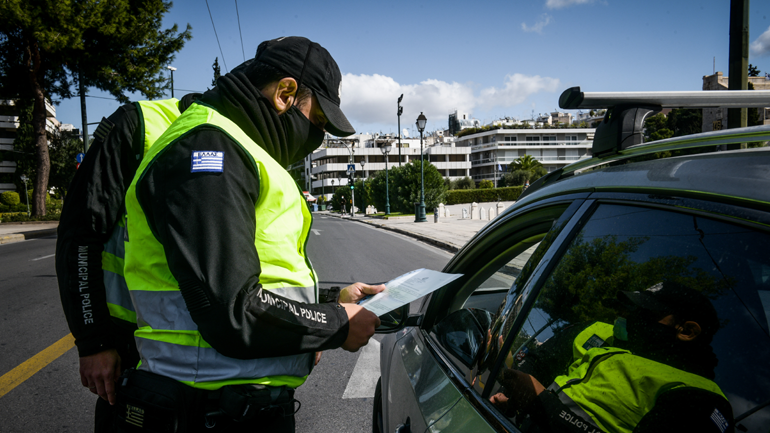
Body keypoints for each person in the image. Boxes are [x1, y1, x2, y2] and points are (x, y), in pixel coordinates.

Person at [118, 36, 384, 432]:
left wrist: (333, 301)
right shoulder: (208, 151)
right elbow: (233, 311)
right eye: (318, 122)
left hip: (231, 405)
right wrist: (335, 324)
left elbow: (254, 279)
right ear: (285, 93)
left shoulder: (236, 148)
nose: (317, 138)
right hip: (205, 410)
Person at [55, 93, 200, 431]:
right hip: (131, 341)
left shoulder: (248, 140)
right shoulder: (140, 124)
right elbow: (81, 233)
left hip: (207, 341)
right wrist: (94, 342)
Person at [491, 282, 734, 433]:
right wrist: (515, 394)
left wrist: (541, 404)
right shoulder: (600, 333)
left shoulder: (699, 398)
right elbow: (539, 360)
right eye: (634, 309)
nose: (632, 318)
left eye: (647, 313)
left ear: (687, 331)